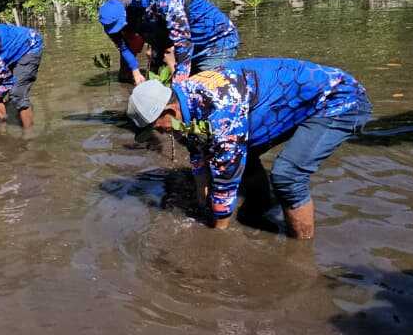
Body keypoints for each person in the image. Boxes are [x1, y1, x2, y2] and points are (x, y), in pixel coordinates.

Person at [126, 58, 372, 239]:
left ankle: (300, 253)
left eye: (158, 127)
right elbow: (197, 148)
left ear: (169, 111)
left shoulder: (220, 112)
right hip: (300, 100)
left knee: (288, 175)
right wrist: (201, 192)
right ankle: (260, 206)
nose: (161, 133)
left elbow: (224, 179)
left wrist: (215, 239)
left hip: (340, 99)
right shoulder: (184, 99)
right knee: (245, 152)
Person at [94, 0, 239, 83]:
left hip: (215, 42)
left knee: (208, 93)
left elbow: (183, 42)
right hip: (190, 45)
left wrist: (179, 87)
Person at [98, 0, 150, 84]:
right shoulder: (108, 24)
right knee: (125, 75)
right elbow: (123, 48)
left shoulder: (138, 5)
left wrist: (151, 47)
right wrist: (135, 70)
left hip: (143, 22)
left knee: (155, 54)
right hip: (131, 29)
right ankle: (127, 75)